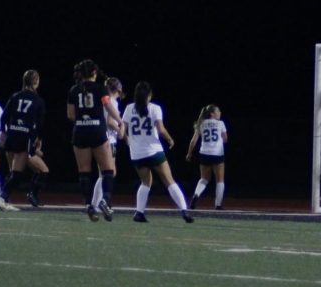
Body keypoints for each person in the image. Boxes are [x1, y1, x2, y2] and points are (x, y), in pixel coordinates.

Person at [123, 81, 193, 223]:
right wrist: (170, 139)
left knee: (145, 182)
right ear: (149, 95)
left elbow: (122, 129)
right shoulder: (155, 108)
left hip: (137, 154)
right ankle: (184, 211)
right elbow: (160, 129)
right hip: (154, 151)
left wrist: (128, 140)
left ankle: (139, 213)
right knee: (169, 181)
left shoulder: (129, 108)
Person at [68, 59, 124, 221]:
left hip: (80, 132)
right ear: (94, 73)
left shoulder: (73, 90)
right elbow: (108, 105)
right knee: (108, 170)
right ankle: (105, 200)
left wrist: (83, 119)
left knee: (84, 172)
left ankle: (88, 205)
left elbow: (71, 115)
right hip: (98, 132)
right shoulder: (101, 88)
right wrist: (119, 121)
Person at [0, 70, 47, 212]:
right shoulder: (38, 100)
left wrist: (5, 133)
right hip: (25, 138)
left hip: (12, 136)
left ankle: (3, 199)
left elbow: (3, 118)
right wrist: (38, 139)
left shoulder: (15, 96)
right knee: (17, 173)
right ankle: (1, 198)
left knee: (13, 172)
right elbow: (41, 124)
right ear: (36, 81)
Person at [185, 104, 228, 210]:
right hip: (217, 154)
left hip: (204, 154)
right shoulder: (220, 123)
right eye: (218, 111)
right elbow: (225, 139)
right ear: (212, 114)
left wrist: (189, 153)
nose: (220, 113)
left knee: (204, 179)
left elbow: (193, 141)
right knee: (220, 180)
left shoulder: (201, 123)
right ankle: (218, 205)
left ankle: (196, 195)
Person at [91, 77, 124, 213]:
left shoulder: (103, 100)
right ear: (119, 89)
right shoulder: (112, 102)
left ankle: (97, 203)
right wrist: (121, 129)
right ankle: (98, 204)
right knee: (108, 173)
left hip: (100, 138)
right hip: (109, 139)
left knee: (105, 173)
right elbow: (110, 121)